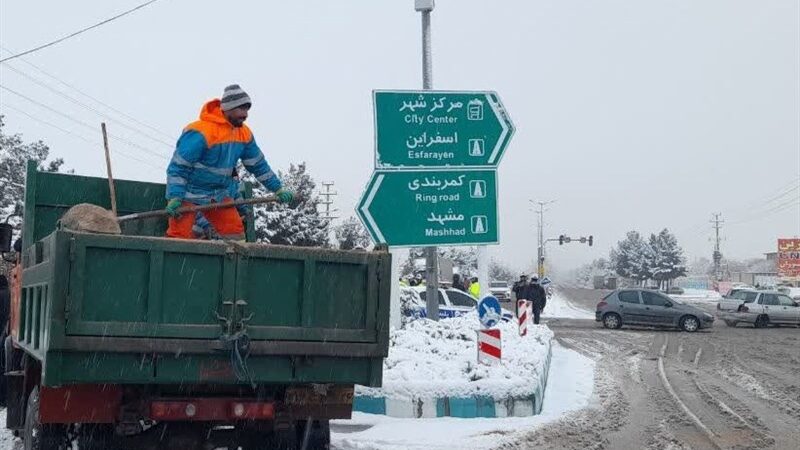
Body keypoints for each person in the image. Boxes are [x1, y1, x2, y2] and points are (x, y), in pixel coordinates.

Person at [165, 84, 293, 240]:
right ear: (227, 108)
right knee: (178, 238)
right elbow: (179, 167)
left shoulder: (243, 134)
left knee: (235, 233)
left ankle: (231, 262)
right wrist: (175, 197)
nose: (245, 114)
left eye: (247, 110)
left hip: (218, 195)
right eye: (241, 109)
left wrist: (277, 189)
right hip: (188, 194)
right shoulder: (200, 132)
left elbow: (258, 165)